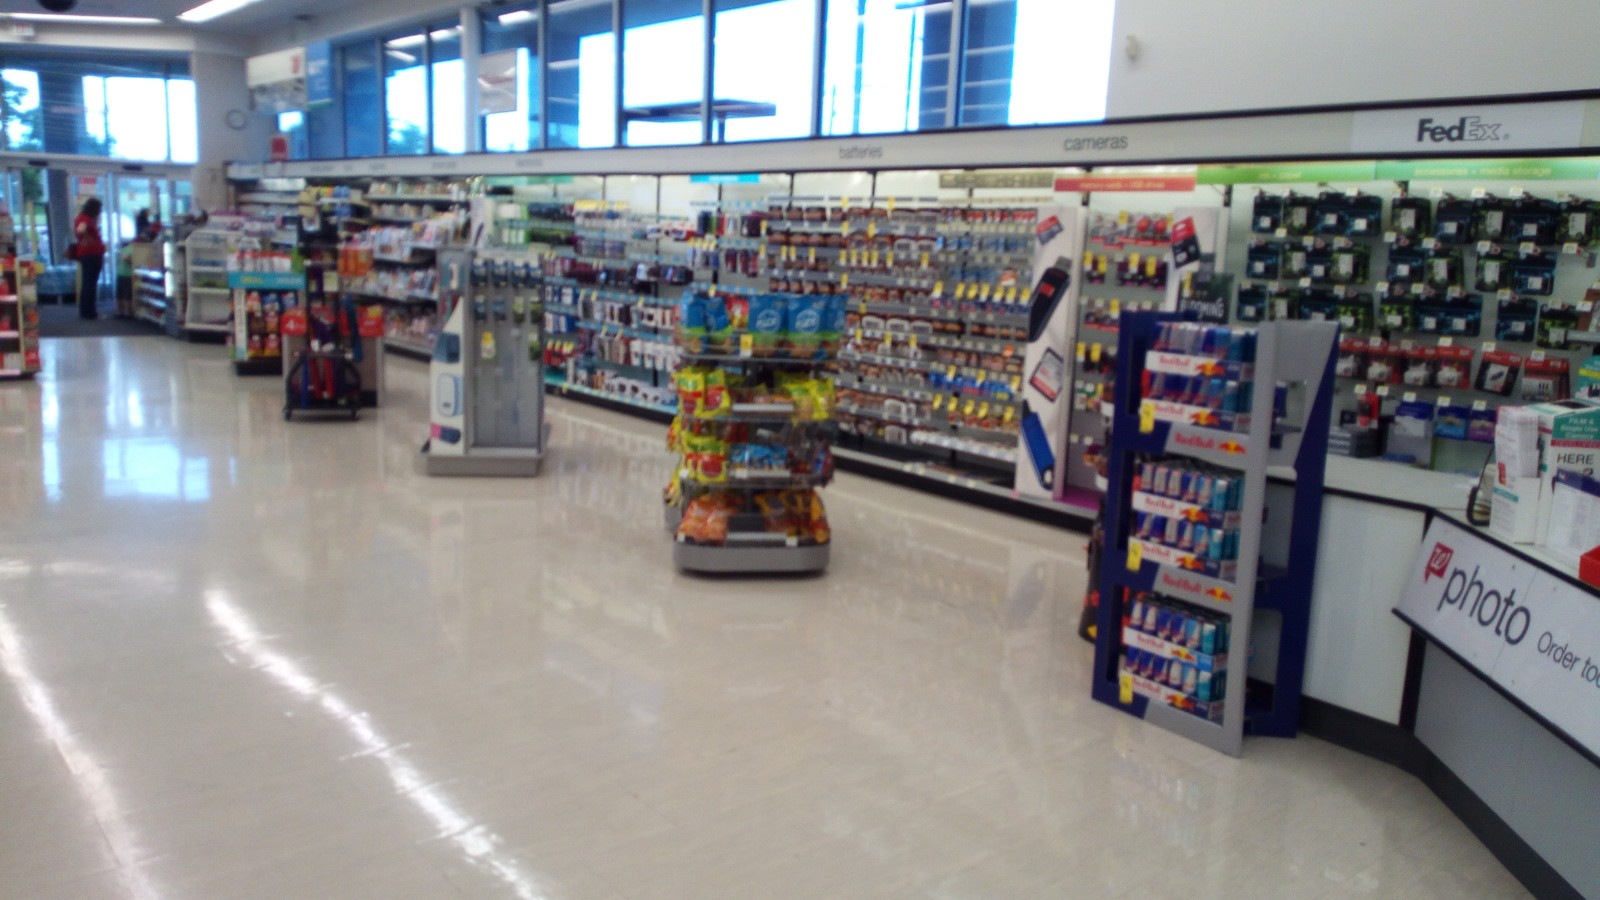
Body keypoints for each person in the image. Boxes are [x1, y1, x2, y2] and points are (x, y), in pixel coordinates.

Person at [73, 198, 107, 320]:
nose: (100, 211)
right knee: (91, 283)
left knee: (87, 282)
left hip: (86, 254)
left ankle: (85, 311)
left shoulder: (81, 218)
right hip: (92, 254)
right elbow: (81, 230)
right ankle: (90, 312)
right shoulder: (86, 219)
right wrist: (89, 238)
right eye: (99, 209)